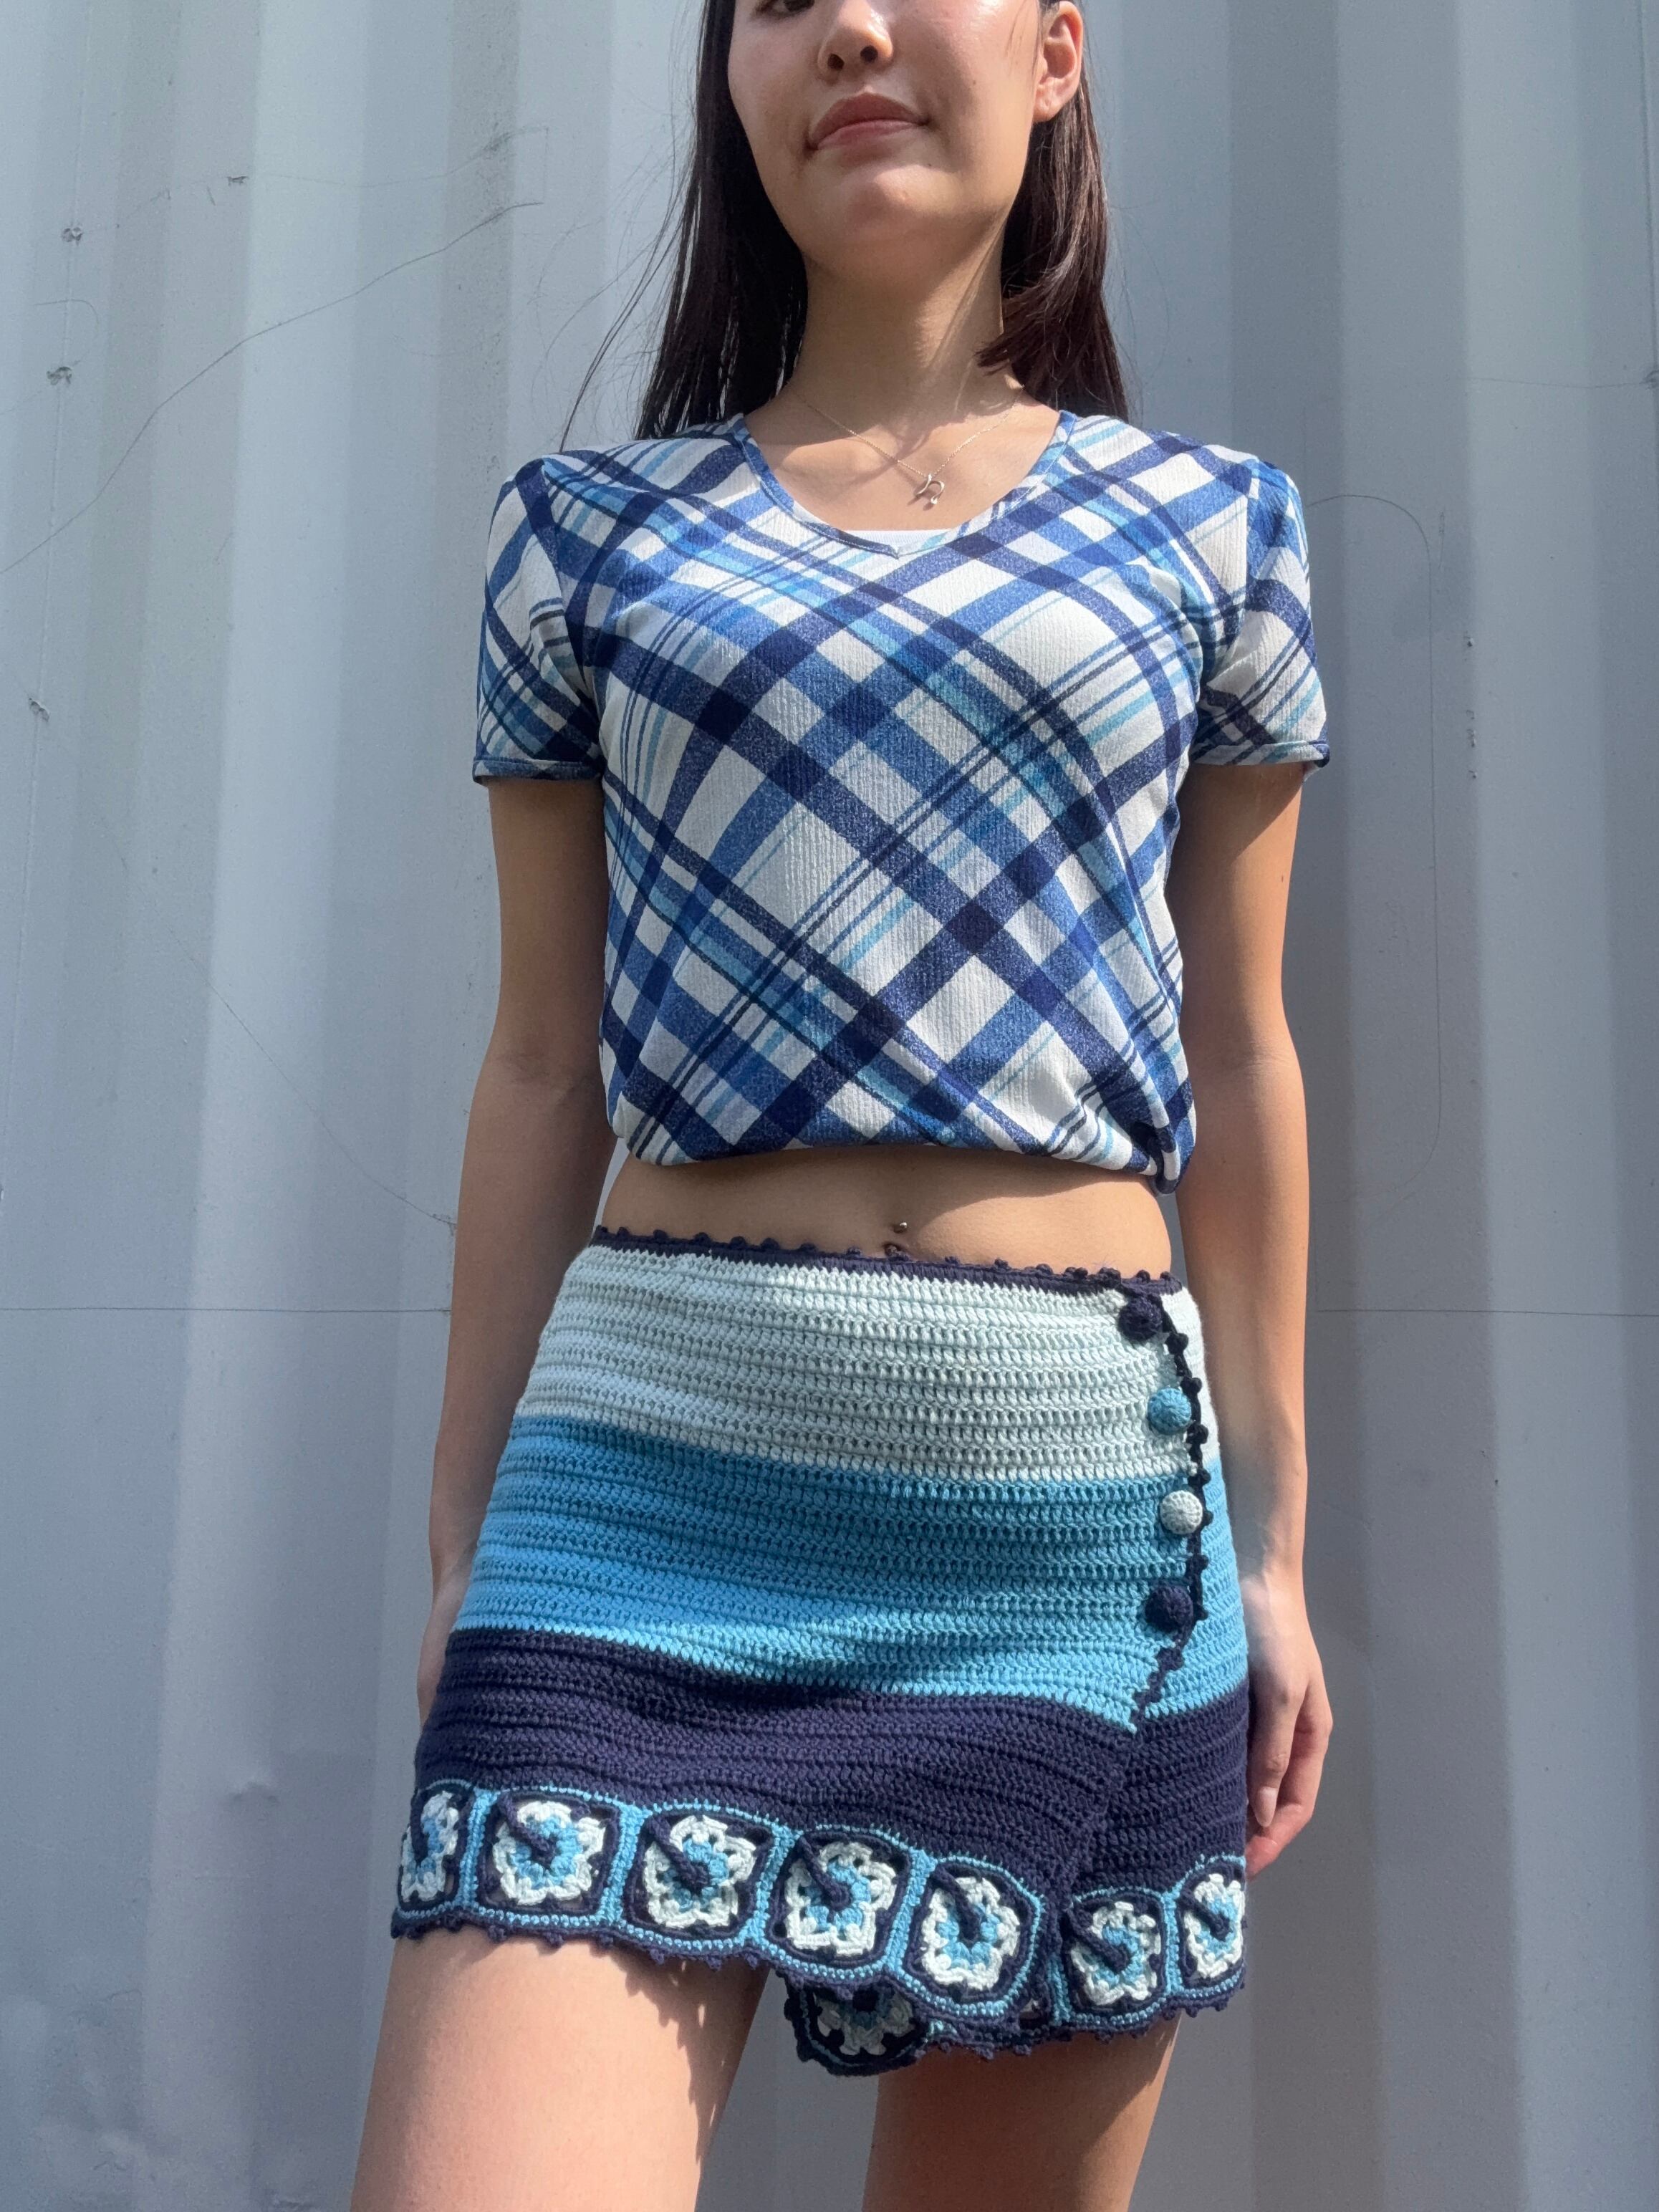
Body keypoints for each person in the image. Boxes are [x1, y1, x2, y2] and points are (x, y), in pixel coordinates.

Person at [350, 4, 1334, 2207]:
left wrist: (1273, 1557)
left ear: (1057, 52)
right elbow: (541, 1059)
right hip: (649, 1494)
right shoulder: (584, 537)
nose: (854, 30)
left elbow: (1242, 1057)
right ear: (732, 79)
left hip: (1076, 1521)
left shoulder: (1214, 530)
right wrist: (465, 1541)